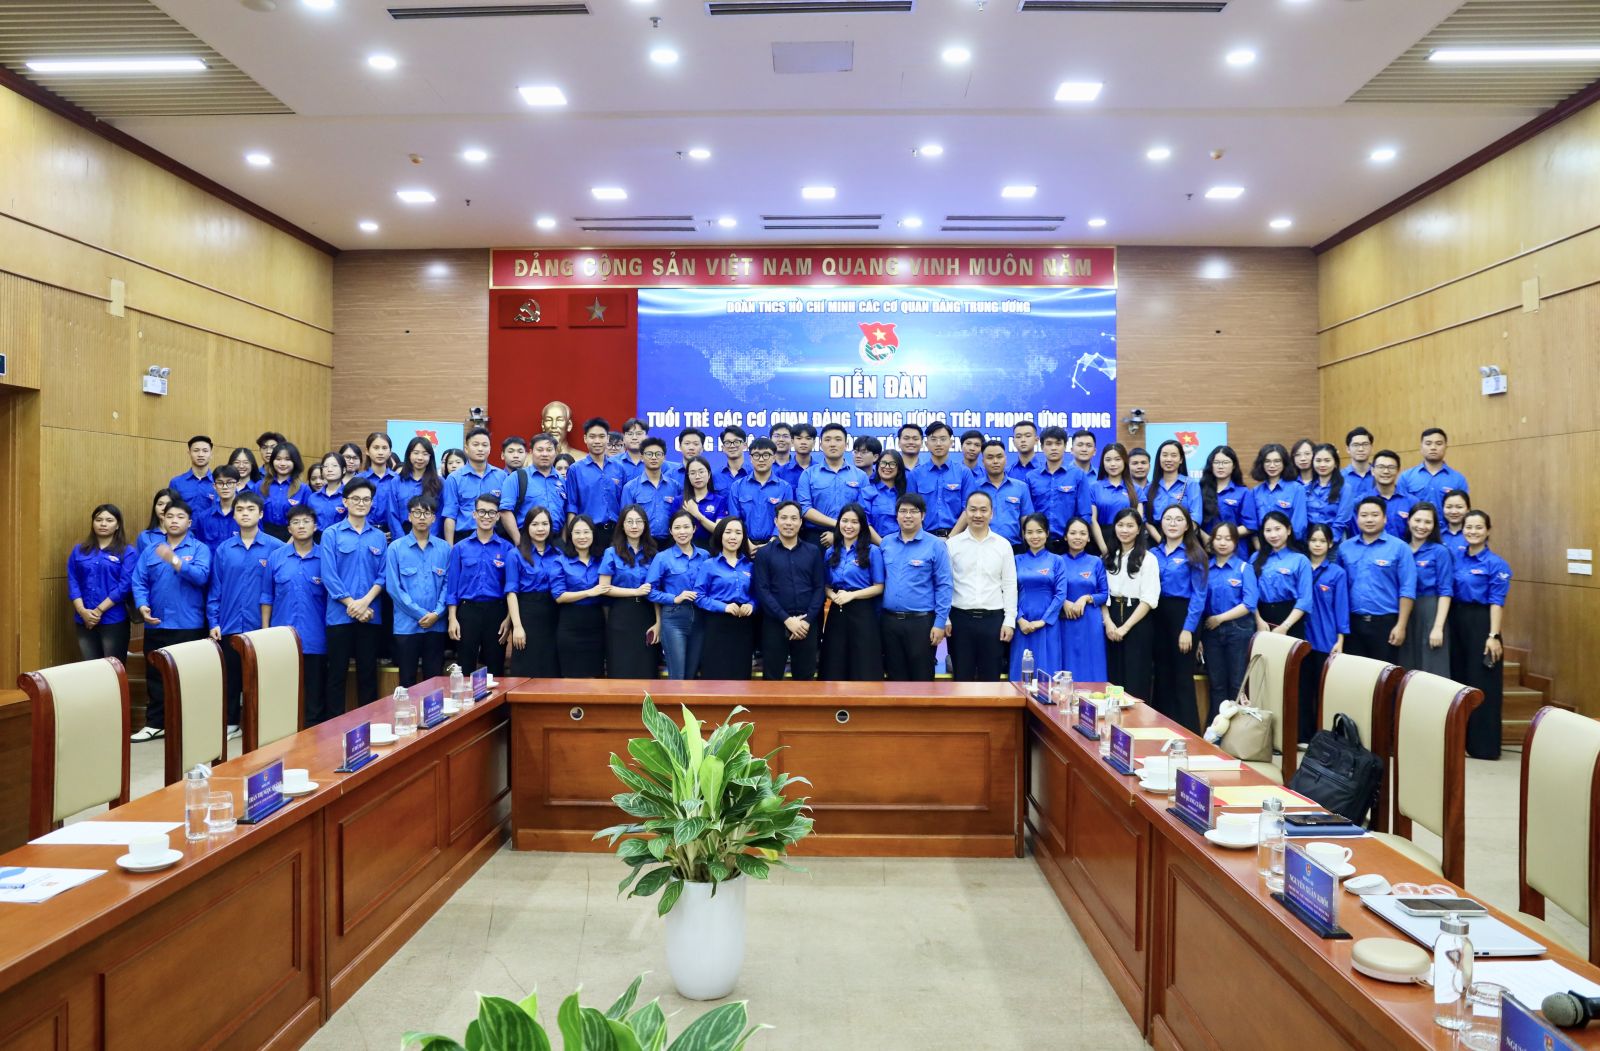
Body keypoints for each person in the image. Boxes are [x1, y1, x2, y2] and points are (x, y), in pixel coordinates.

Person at [130, 497, 211, 741]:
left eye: (180, 517)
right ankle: (156, 723)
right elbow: (139, 580)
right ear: (163, 520)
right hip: (156, 623)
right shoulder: (151, 550)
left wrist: (174, 560)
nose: (174, 521)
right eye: (169, 516)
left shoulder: (199, 549)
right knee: (155, 676)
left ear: (190, 522)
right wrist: (142, 605)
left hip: (188, 624)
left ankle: (188, 725)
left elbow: (201, 577)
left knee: (188, 676)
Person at [206, 490, 281, 736]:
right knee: (231, 677)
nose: (245, 514)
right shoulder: (224, 549)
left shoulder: (275, 547)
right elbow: (216, 588)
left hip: (261, 626)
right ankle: (231, 722)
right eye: (240, 509)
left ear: (261, 514)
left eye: (250, 509)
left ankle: (259, 723)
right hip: (229, 623)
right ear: (234, 515)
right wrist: (213, 620)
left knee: (260, 678)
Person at [320, 477, 386, 719]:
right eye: (356, 499)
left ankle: (369, 724)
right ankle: (333, 727)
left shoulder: (379, 537)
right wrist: (352, 604)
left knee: (368, 674)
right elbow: (329, 575)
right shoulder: (331, 534)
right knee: (336, 675)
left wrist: (364, 602)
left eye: (366, 499)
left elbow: (383, 575)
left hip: (370, 616)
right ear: (345, 502)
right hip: (339, 616)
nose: (361, 503)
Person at [1448, 510, 1512, 760]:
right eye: (1468, 527)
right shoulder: (1456, 557)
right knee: (1459, 680)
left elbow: (1497, 601)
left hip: (1482, 623)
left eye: (1478, 527)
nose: (1472, 532)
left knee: (1483, 683)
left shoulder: (1496, 563)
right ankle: (1460, 742)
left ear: (1487, 531)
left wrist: (1493, 635)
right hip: (1456, 620)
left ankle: (1484, 746)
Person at [262, 505, 328, 729]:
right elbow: (266, 596)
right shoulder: (276, 557)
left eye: (306, 521)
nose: (301, 526)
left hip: (316, 637)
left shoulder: (325, 557)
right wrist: (265, 631)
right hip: (282, 638)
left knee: (315, 694)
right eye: (296, 522)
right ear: (289, 528)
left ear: (315, 526)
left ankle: (313, 734)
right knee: (283, 691)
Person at [446, 494, 521, 677]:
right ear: (474, 514)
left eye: (491, 512)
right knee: (465, 668)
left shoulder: (508, 549)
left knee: (496, 668)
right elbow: (452, 587)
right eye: (482, 512)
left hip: (496, 612)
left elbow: (512, 588)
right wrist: (452, 618)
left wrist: (508, 619)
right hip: (467, 612)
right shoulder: (460, 548)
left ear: (498, 516)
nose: (486, 516)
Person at [879, 493, 952, 681]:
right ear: (896, 515)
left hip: (921, 623)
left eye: (913, 511)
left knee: (922, 679)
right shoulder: (886, 543)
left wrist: (940, 623)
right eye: (903, 511)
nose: (908, 516)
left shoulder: (935, 545)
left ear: (923, 515)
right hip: (890, 622)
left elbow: (944, 586)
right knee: (894, 678)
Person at [946, 491, 1018, 682]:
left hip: (993, 621)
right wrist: (945, 617)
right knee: (961, 679)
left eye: (983, 510)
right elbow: (945, 585)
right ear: (966, 512)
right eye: (973, 510)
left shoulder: (1003, 545)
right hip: (960, 620)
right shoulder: (952, 545)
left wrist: (1009, 620)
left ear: (991, 514)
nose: (978, 515)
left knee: (991, 680)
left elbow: (1009, 585)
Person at [1336, 496, 1417, 663]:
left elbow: (1407, 589)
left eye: (1375, 515)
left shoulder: (1400, 548)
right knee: (1354, 673)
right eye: (1364, 515)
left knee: (1384, 675)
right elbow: (1339, 588)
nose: (1369, 519)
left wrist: (1401, 625)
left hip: (1386, 623)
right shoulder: (1345, 548)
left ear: (1385, 518)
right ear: (1357, 518)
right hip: (1353, 623)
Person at [752, 501, 827, 680]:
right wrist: (786, 619)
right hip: (775, 624)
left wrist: (807, 621)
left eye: (794, 518)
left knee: (806, 679)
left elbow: (819, 588)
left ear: (801, 522)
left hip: (806, 625)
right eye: (784, 518)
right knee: (772, 679)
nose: (788, 523)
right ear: (776, 521)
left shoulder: (813, 551)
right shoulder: (764, 553)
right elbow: (762, 591)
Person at [1149, 505, 1207, 730]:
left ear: (1187, 526)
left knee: (1181, 677)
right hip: (1158, 616)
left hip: (1183, 616)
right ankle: (1161, 729)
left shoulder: (1195, 553)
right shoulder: (1152, 553)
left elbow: (1199, 596)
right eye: (1168, 519)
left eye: (1178, 519)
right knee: (1162, 675)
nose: (1172, 523)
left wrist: (1188, 629)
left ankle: (1189, 733)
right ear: (1161, 523)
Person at [385, 494, 449, 687]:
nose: (422, 517)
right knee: (407, 681)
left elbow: (448, 586)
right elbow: (394, 588)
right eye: (417, 512)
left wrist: (437, 614)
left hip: (436, 625)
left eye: (427, 513)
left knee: (434, 682)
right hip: (407, 626)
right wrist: (422, 614)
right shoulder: (395, 548)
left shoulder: (444, 548)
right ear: (409, 516)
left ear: (434, 518)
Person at [820, 503, 885, 680]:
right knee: (835, 662)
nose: (849, 526)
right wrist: (833, 596)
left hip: (863, 611)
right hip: (837, 611)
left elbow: (879, 586)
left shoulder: (873, 551)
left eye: (854, 522)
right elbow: (825, 585)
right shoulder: (830, 552)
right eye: (845, 521)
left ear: (862, 525)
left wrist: (852, 595)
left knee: (863, 663)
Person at [1300, 523, 1350, 744]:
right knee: (1303, 689)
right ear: (1307, 542)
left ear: (1330, 544)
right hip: (1302, 639)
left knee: (1323, 691)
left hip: (1326, 640)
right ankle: (1303, 735)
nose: (1317, 545)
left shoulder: (1337, 573)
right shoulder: (1300, 566)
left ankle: (1323, 739)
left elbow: (1341, 607)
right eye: (1313, 540)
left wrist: (1340, 639)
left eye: (1322, 541)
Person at [1103, 508, 1159, 703]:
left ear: (1139, 529)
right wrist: (1108, 623)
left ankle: (1137, 720)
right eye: (1120, 525)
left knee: (1136, 677)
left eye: (1130, 526)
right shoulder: (1108, 557)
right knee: (1113, 677)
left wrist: (1125, 627)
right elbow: (1102, 593)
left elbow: (1149, 599)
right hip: (1111, 618)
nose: (1124, 530)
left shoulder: (1148, 559)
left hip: (1137, 619)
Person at [1198, 521, 1256, 710]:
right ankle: (1216, 727)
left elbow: (1249, 603)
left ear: (1236, 542)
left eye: (1228, 539)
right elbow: (1199, 603)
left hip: (1239, 630)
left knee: (1237, 684)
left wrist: (1220, 618)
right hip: (1211, 631)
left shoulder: (1244, 568)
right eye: (1218, 538)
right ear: (1212, 541)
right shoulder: (1206, 568)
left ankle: (1237, 727)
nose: (1223, 543)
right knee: (1216, 684)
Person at [68, 504, 135, 665]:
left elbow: (124, 586)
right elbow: (73, 581)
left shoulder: (128, 552)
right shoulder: (79, 550)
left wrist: (98, 611)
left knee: (113, 669)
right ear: (93, 523)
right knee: (91, 668)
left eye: (109, 520)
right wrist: (82, 611)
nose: (103, 524)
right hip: (84, 619)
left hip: (113, 620)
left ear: (117, 525)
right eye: (99, 520)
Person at [600, 505, 660, 678]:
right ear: (622, 525)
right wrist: (635, 592)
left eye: (638, 522)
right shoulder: (611, 552)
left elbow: (656, 591)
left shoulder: (654, 554)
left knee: (646, 668)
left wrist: (659, 622)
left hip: (646, 614)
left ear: (645, 525)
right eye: (629, 522)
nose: (634, 526)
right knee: (621, 666)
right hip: (621, 614)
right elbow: (604, 588)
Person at [646, 510, 708, 679]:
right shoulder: (662, 558)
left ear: (694, 529)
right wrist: (675, 598)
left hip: (700, 618)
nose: (682, 532)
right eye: (677, 528)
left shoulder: (704, 556)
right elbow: (649, 591)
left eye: (686, 527)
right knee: (677, 675)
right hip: (674, 619)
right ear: (670, 531)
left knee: (691, 674)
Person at [695, 517, 757, 680]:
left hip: (743, 623)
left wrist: (752, 605)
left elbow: (757, 595)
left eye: (738, 533)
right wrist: (724, 607)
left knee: (741, 673)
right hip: (717, 623)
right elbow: (699, 597)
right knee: (716, 672)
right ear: (720, 535)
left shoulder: (750, 565)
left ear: (743, 537)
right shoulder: (709, 564)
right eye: (728, 532)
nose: (733, 537)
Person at [1010, 513, 1069, 680]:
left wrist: (1043, 621)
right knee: (1020, 672)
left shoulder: (1057, 561)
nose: (1034, 536)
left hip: (1048, 624)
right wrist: (1020, 619)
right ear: (1023, 535)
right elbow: (1008, 591)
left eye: (1039, 531)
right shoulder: (1016, 560)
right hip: (1022, 624)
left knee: (1047, 673)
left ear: (1047, 533)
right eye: (1029, 532)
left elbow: (1061, 594)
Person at [1399, 501, 1453, 677]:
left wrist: (1438, 627)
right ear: (1409, 521)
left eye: (1428, 522)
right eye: (1417, 520)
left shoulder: (1440, 551)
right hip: (1403, 609)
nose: (1422, 526)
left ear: (1434, 525)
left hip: (1431, 609)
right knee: (1405, 665)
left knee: (1432, 665)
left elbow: (1445, 591)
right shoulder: (1400, 548)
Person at [510, 506, 562, 678]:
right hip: (527, 613)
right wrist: (517, 626)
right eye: (535, 524)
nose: (540, 529)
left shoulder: (558, 554)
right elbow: (511, 593)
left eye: (545, 524)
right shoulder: (515, 554)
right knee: (526, 665)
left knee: (551, 665)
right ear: (526, 527)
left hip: (553, 613)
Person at [552, 515, 607, 677]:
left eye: (586, 532)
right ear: (570, 536)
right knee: (571, 676)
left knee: (596, 675)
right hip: (570, 622)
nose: (582, 537)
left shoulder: (602, 560)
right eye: (577, 532)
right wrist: (589, 592)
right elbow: (559, 596)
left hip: (596, 622)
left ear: (593, 534)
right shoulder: (560, 561)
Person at [1057, 517, 1109, 682]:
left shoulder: (1096, 562)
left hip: (1090, 621)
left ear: (1088, 538)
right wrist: (1063, 602)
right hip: (1065, 620)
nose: (1077, 537)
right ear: (1065, 536)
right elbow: (1051, 591)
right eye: (1073, 533)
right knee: (1067, 663)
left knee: (1092, 664)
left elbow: (1104, 593)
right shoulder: (1057, 561)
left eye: (1082, 533)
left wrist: (1086, 598)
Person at [956, 439, 1035, 547]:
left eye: (999, 457)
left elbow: (1025, 521)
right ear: (983, 461)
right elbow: (967, 516)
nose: (995, 461)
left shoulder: (1021, 487)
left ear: (1005, 459)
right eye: (990, 457)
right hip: (981, 546)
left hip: (1014, 548)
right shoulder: (974, 488)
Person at [799, 423, 870, 541]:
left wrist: (841, 531)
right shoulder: (808, 474)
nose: (832, 444)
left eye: (838, 439)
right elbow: (805, 508)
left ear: (846, 445)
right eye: (827, 440)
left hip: (851, 535)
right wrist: (837, 524)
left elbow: (864, 511)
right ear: (821, 445)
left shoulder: (860, 476)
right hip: (815, 537)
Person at [565, 417, 626, 551]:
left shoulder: (619, 468)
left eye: (601, 436)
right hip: (588, 533)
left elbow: (623, 503)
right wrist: (571, 537)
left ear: (607, 438)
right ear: (585, 439)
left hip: (616, 533)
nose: (597, 441)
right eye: (592, 437)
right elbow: (572, 506)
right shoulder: (575, 469)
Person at [441, 427, 508, 543]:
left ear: (490, 448)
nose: (480, 449)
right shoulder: (454, 478)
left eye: (484, 445)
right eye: (476, 445)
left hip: (495, 537)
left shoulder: (502, 476)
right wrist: (450, 547)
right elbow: (450, 515)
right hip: (464, 537)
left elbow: (506, 511)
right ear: (466, 448)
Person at [500, 432, 567, 544]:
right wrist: (519, 542)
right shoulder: (517, 477)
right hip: (527, 539)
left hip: (556, 541)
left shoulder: (561, 480)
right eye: (540, 450)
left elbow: (566, 512)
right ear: (531, 452)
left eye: (549, 450)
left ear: (556, 452)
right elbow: (505, 511)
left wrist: (563, 542)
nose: (544, 454)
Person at [1033, 426, 1092, 552]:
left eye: (1058, 443)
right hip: (1039, 543)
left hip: (1069, 544)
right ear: (1042, 447)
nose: (1054, 448)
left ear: (1065, 446)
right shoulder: (1031, 477)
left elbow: (1085, 513)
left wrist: (1079, 538)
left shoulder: (1078, 475)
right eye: (1049, 444)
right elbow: (1028, 514)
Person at [910, 421, 974, 536]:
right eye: (933, 439)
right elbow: (911, 509)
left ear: (951, 443)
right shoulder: (915, 474)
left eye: (943, 439)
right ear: (926, 443)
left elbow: (969, 509)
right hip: (924, 537)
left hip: (957, 537)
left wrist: (950, 538)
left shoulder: (964, 473)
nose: (938, 443)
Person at [728, 437, 793, 548]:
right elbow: (734, 519)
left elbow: (786, 519)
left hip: (776, 545)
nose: (761, 459)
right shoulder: (737, 486)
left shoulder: (784, 488)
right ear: (750, 458)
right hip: (744, 545)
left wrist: (771, 543)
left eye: (766, 455)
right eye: (756, 455)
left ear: (774, 458)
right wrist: (747, 544)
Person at [619, 436, 678, 544]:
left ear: (664, 457)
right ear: (642, 457)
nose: (654, 458)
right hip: (642, 542)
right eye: (649, 454)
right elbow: (625, 519)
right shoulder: (630, 487)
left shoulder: (674, 486)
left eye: (658, 454)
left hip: (670, 542)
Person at [1145, 439, 1202, 543]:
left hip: (1185, 539)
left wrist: (1179, 541)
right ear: (1159, 458)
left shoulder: (1190, 485)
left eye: (1173, 455)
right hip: (1155, 540)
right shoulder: (1149, 487)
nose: (1169, 459)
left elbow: (1196, 516)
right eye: (1165, 455)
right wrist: (1161, 542)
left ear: (1181, 459)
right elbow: (1145, 519)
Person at [1089, 443, 1141, 555]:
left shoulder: (1136, 489)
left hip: (1129, 541)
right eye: (1108, 460)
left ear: (1124, 461)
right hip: (1101, 541)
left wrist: (1129, 548)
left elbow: (1139, 520)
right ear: (1103, 462)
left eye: (1117, 459)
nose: (1113, 464)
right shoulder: (1094, 488)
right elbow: (1092, 520)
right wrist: (1104, 549)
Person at [1399, 427, 1470, 509]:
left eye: (1439, 444)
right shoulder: (1406, 477)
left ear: (1446, 447)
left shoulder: (1458, 479)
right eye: (1428, 443)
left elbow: (1463, 510)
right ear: (1421, 447)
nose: (1433, 447)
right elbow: (1401, 507)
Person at [1198, 445, 1256, 543]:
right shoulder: (1199, 490)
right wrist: (1206, 538)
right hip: (1206, 546)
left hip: (1235, 547)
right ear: (1211, 465)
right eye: (1216, 462)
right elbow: (1192, 521)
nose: (1220, 466)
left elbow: (1249, 526)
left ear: (1233, 466)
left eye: (1225, 462)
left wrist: (1221, 537)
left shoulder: (1243, 492)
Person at [391, 437, 445, 539]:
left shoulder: (439, 482)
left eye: (425, 454)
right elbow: (392, 513)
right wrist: (402, 540)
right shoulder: (396, 481)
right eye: (416, 453)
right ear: (409, 455)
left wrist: (429, 538)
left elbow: (440, 513)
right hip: (403, 535)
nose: (420, 458)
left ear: (430, 457)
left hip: (431, 535)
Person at [1248, 443, 1307, 538]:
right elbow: (1253, 525)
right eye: (1267, 461)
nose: (1272, 465)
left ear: (1284, 463)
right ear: (1261, 464)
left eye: (1277, 461)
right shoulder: (1255, 492)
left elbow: (1299, 525)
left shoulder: (1297, 489)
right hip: (1262, 544)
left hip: (1290, 543)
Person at [1355, 449, 1417, 539]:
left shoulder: (1412, 502)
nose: (1386, 471)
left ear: (1398, 471)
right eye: (1381, 467)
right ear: (1372, 470)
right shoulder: (1361, 502)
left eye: (1391, 467)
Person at [671, 456, 727, 549]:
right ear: (688, 476)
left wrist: (697, 515)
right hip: (684, 549)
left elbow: (719, 530)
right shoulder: (679, 500)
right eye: (692, 473)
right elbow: (674, 529)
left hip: (712, 549)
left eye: (701, 472)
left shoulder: (719, 500)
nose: (697, 476)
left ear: (709, 474)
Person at [261, 442, 310, 541]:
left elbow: (308, 519)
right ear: (272, 461)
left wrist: (291, 542)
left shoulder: (304, 489)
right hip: (264, 537)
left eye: (288, 459)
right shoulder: (260, 486)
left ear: (295, 462)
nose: (282, 463)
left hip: (292, 538)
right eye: (278, 459)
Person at [1306, 443, 1354, 541]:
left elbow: (1343, 519)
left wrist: (1327, 541)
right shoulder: (1305, 489)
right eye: (1318, 461)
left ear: (1335, 463)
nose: (1322, 465)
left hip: (1334, 540)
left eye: (1327, 460)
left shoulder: (1345, 488)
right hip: (1310, 542)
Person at [195, 465, 243, 553]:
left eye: (230, 483)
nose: (225, 487)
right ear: (214, 486)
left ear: (237, 485)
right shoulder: (203, 517)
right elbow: (200, 548)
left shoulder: (246, 516)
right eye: (220, 483)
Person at [360, 432, 399, 538]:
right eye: (376, 448)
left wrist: (394, 533)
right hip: (364, 533)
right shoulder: (358, 480)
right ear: (367, 451)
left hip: (392, 535)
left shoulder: (398, 480)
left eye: (384, 448)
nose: (380, 452)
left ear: (390, 452)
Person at [863, 450, 907, 542]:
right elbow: (864, 523)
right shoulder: (868, 491)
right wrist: (882, 544)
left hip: (904, 544)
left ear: (899, 468)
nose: (887, 467)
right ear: (878, 465)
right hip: (876, 545)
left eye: (892, 464)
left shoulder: (906, 492)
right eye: (883, 463)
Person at [169, 435, 217, 517]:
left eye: (205, 451)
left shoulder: (219, 483)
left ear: (211, 454)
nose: (200, 454)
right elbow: (170, 511)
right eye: (196, 450)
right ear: (189, 453)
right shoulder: (176, 483)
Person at [308, 451, 347, 534]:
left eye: (334, 466)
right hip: (317, 538)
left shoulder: (349, 495)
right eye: (325, 466)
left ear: (343, 470)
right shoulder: (313, 498)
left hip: (341, 537)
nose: (329, 469)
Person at [775, 423, 815, 490]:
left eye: (808, 438)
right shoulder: (780, 472)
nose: (803, 442)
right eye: (799, 438)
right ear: (792, 442)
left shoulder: (820, 471)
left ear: (814, 443)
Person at [138, 489, 177, 554]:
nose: (164, 508)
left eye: (169, 504)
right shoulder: (144, 536)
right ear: (154, 507)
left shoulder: (186, 535)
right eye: (160, 504)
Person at [714, 425, 751, 492]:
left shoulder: (754, 473)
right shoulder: (715, 476)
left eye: (736, 442)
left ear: (745, 445)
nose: (732, 446)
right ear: (723, 448)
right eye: (727, 443)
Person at [1342, 427, 1376, 499]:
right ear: (1348, 449)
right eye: (1356, 445)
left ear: (1371, 447)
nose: (1361, 449)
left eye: (1365, 444)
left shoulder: (1379, 474)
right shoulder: (1340, 477)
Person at [1440, 489, 1471, 557]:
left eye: (1459, 507)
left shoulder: (1473, 535)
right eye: (1449, 507)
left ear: (1468, 510)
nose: (1453, 512)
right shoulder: (1437, 535)